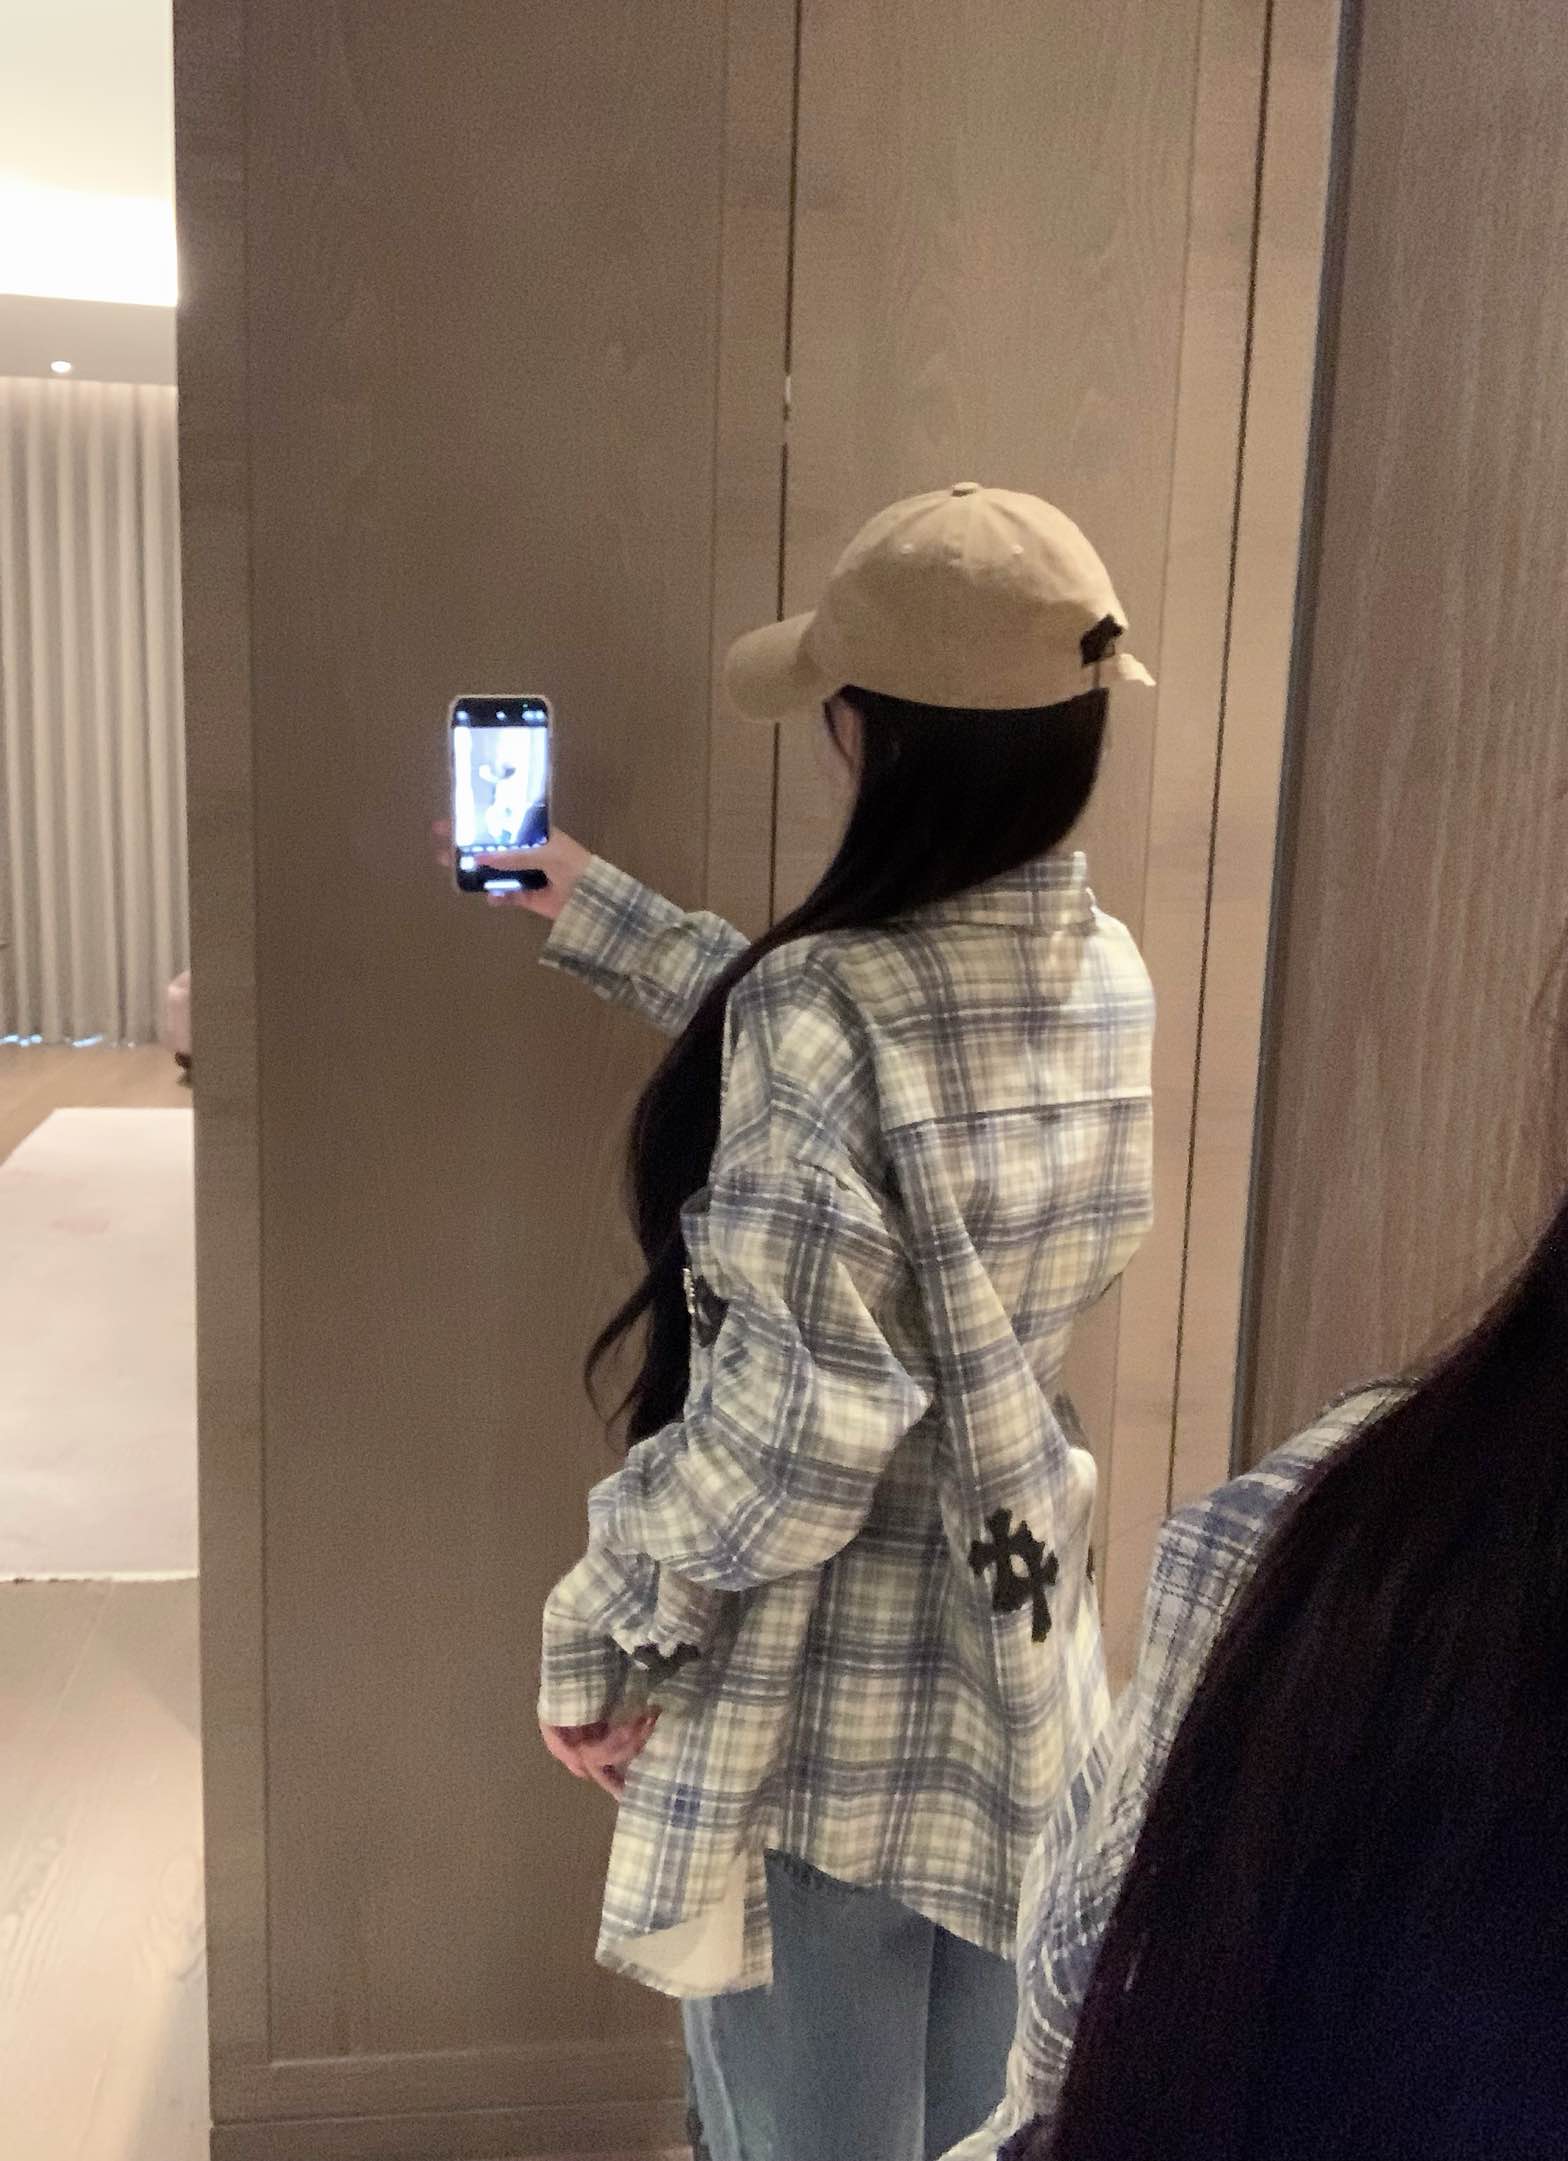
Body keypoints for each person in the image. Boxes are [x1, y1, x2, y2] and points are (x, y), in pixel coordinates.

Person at [462, 484, 1158, 2161]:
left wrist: (603, 1628)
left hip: (821, 1717)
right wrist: (604, 912)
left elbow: (797, 1431)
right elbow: (882, 1064)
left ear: (873, 737)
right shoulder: (1102, 970)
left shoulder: (821, 1006)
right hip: (1018, 1673)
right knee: (986, 2131)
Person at [953, 825, 1568, 2161]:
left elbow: (806, 1403)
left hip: (837, 1635)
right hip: (1019, 1553)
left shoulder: (1359, 1561)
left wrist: (623, 1633)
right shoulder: (1103, 967)